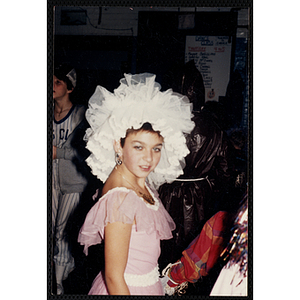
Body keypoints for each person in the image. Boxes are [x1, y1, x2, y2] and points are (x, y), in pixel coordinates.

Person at [77, 73, 195, 295]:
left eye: (156, 148)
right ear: (118, 146)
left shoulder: (137, 180)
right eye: (138, 147)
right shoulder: (121, 198)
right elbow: (113, 277)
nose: (149, 159)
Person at [52, 63, 90, 295]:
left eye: (57, 82)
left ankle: (58, 283)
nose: (51, 86)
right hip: (51, 181)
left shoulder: (80, 114)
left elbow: (87, 151)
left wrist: (59, 152)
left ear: (70, 88)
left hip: (73, 182)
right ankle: (60, 268)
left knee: (62, 231)